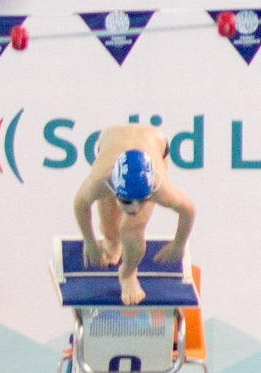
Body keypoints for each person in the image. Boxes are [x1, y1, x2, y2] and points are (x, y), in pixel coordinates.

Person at [72, 124, 195, 306]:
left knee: (131, 230)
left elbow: (188, 210)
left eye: (142, 200)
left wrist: (179, 244)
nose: (134, 208)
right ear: (115, 187)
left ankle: (128, 274)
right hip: (110, 140)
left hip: (155, 144)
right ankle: (112, 241)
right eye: (127, 201)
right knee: (109, 229)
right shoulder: (100, 182)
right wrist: (90, 242)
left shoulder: (158, 188)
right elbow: (80, 205)